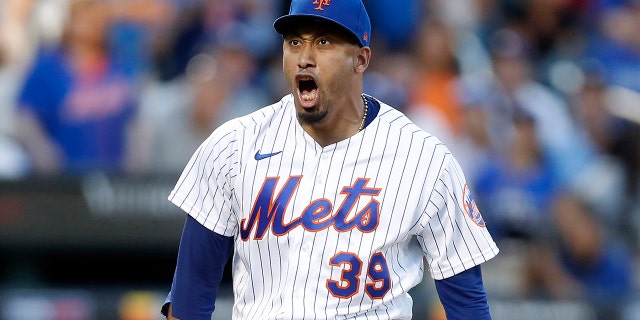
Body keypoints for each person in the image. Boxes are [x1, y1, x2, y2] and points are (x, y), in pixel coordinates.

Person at [161, 0, 499, 319]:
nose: (304, 57)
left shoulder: (424, 159)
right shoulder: (233, 146)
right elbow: (191, 294)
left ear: (361, 59)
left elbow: (467, 302)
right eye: (294, 42)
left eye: (323, 42)